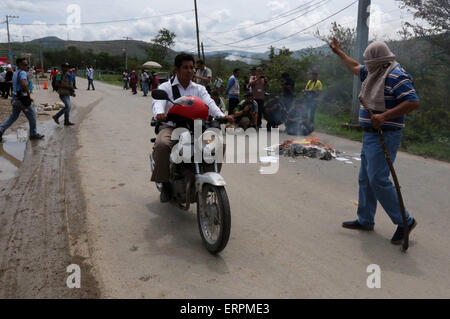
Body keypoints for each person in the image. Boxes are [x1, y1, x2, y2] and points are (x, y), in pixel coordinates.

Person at [330, 38, 419, 244]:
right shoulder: (375, 71)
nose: (365, 65)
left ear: (378, 60)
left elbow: (412, 101)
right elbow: (354, 66)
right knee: (365, 178)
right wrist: (339, 52)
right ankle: (365, 219)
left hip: (385, 134)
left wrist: (385, 116)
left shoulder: (396, 75)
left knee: (378, 179)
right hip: (370, 134)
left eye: (368, 60)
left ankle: (406, 220)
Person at [152, 53, 233, 202]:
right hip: (172, 127)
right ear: (176, 69)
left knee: (220, 144)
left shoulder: (199, 89)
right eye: (185, 67)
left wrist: (222, 115)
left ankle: (208, 180)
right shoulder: (166, 87)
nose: (190, 71)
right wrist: (160, 113)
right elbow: (157, 103)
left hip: (196, 127)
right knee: (162, 144)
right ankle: (165, 184)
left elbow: (209, 103)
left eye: (192, 68)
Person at [0, 58, 44, 142]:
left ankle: (1, 130)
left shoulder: (15, 73)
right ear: (20, 65)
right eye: (25, 64)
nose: (27, 66)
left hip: (15, 99)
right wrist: (29, 95)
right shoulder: (23, 72)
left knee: (13, 117)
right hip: (22, 100)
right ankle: (33, 134)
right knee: (32, 116)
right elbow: (24, 83)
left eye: (27, 64)